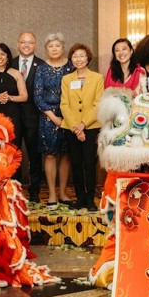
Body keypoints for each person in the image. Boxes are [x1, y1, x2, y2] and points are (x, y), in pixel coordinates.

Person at [60, 44, 103, 210]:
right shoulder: (67, 79)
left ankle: (90, 198)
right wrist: (76, 128)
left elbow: (98, 104)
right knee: (76, 163)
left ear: (88, 58)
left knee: (89, 163)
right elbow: (64, 105)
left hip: (91, 127)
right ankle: (80, 197)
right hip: (71, 128)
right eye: (75, 56)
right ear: (71, 59)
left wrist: (83, 124)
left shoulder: (97, 78)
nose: (78, 59)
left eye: (82, 56)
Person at [34, 33, 74, 208]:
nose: (54, 49)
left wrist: (66, 116)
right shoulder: (41, 68)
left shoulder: (71, 67)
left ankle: (63, 192)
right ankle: (51, 193)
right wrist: (52, 116)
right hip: (48, 116)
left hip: (69, 114)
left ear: (63, 47)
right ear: (46, 49)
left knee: (66, 154)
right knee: (50, 154)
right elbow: (37, 95)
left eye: (57, 46)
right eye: (51, 46)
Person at [10, 32, 45, 200]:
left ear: (35, 45)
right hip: (13, 117)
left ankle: (35, 191)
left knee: (34, 156)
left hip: (34, 117)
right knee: (14, 154)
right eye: (23, 42)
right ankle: (15, 190)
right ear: (18, 44)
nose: (26, 45)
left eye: (30, 42)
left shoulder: (42, 65)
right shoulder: (9, 63)